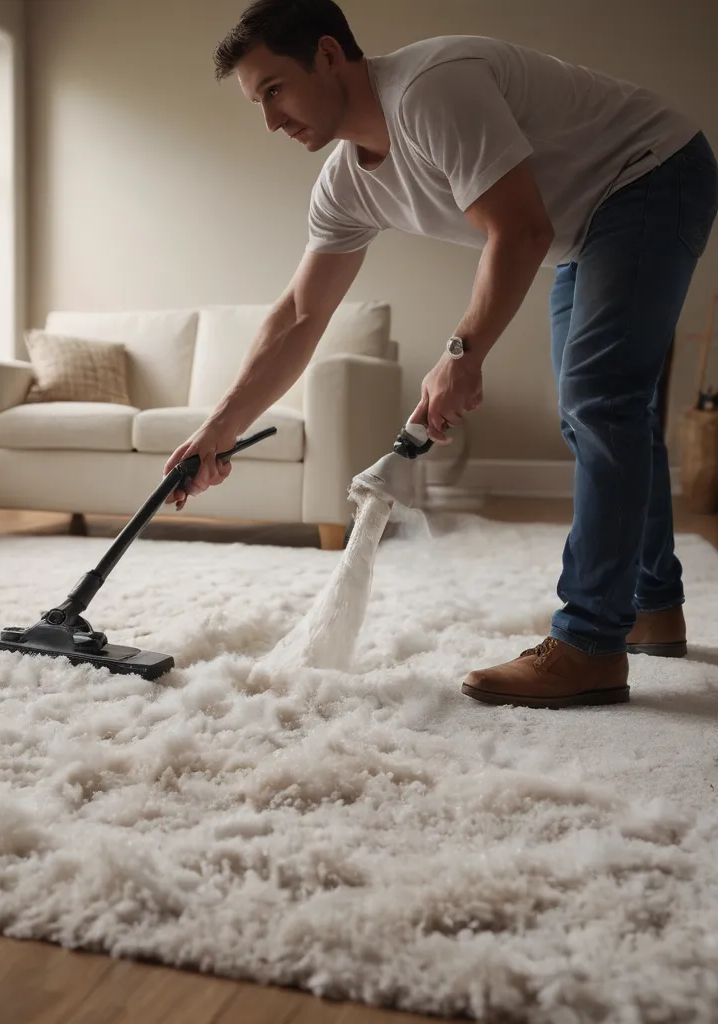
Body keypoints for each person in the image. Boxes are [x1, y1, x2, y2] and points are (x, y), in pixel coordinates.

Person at [162, 0, 718, 708]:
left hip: (651, 173)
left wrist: (461, 355)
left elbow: (518, 231)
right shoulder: (344, 183)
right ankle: (651, 606)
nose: (270, 119)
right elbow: (300, 314)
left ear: (328, 55)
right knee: (599, 410)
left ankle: (590, 644)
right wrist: (219, 428)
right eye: (257, 102)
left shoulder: (430, 90)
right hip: (583, 229)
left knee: (600, 400)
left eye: (275, 89)